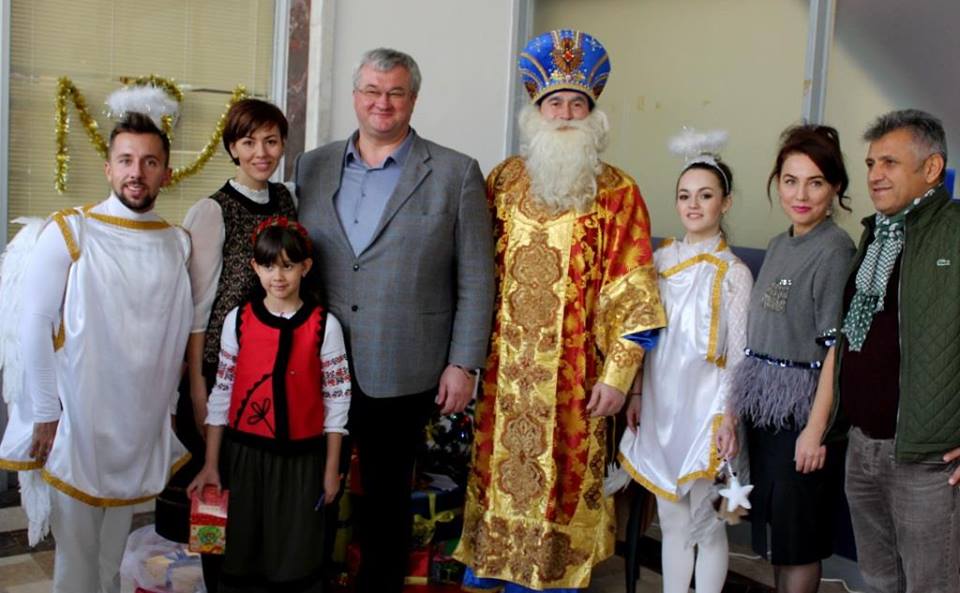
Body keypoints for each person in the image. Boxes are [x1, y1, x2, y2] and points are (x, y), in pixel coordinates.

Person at [454, 29, 667, 592]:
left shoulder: (619, 192)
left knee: (562, 496)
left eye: (578, 104)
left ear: (593, 114)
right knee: (497, 487)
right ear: (536, 111)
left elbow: (634, 293)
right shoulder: (502, 181)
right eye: (556, 103)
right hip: (502, 381)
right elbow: (471, 273)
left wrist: (619, 377)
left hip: (576, 383)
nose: (567, 114)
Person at [293, 47, 495, 593]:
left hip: (404, 364)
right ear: (355, 96)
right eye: (371, 91)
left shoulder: (455, 173)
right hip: (317, 361)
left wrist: (463, 364)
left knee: (384, 500)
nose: (382, 103)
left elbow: (477, 278)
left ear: (413, 99)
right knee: (311, 488)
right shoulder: (311, 166)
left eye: (395, 93)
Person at [0, 113, 193, 593]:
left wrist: (168, 408)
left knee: (111, 554)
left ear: (166, 173)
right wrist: (46, 411)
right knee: (77, 558)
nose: (136, 172)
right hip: (79, 422)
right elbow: (36, 323)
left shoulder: (175, 243)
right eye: (125, 160)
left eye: (149, 162)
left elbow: (171, 335)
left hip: (136, 423)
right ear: (108, 168)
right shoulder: (73, 230)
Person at [158, 98, 297, 590]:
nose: (261, 152)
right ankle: (216, 583)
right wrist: (198, 389)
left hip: (274, 371)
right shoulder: (212, 211)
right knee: (216, 494)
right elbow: (196, 313)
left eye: (271, 141)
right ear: (232, 148)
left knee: (259, 496)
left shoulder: (286, 201)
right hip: (220, 374)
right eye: (248, 142)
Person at [825, 109, 959, 593]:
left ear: (932, 168)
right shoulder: (877, 233)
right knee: (880, 581)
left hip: (927, 462)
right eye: (870, 163)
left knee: (931, 585)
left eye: (889, 163)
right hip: (863, 447)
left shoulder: (955, 232)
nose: (875, 175)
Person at [618, 131, 752, 593]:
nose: (693, 205)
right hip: (661, 406)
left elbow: (739, 355)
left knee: (707, 526)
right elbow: (644, 333)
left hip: (707, 411)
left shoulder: (734, 273)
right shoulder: (658, 262)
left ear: (725, 203)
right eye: (684, 195)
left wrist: (729, 417)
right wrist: (637, 392)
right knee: (672, 522)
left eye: (706, 195)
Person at [188, 217, 350, 593]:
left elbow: (337, 401)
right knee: (240, 555)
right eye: (268, 265)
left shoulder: (325, 326)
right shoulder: (238, 321)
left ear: (305, 267)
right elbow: (222, 394)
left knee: (294, 557)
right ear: (255, 267)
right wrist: (212, 463)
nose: (278, 276)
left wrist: (331, 470)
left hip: (302, 464)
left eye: (288, 266)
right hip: (243, 460)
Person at [730, 125, 855, 593]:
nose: (800, 195)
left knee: (799, 543)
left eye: (815, 182)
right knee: (779, 541)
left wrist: (815, 431)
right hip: (766, 414)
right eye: (790, 181)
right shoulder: (781, 243)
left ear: (835, 187)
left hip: (802, 417)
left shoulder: (835, 249)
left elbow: (836, 348)